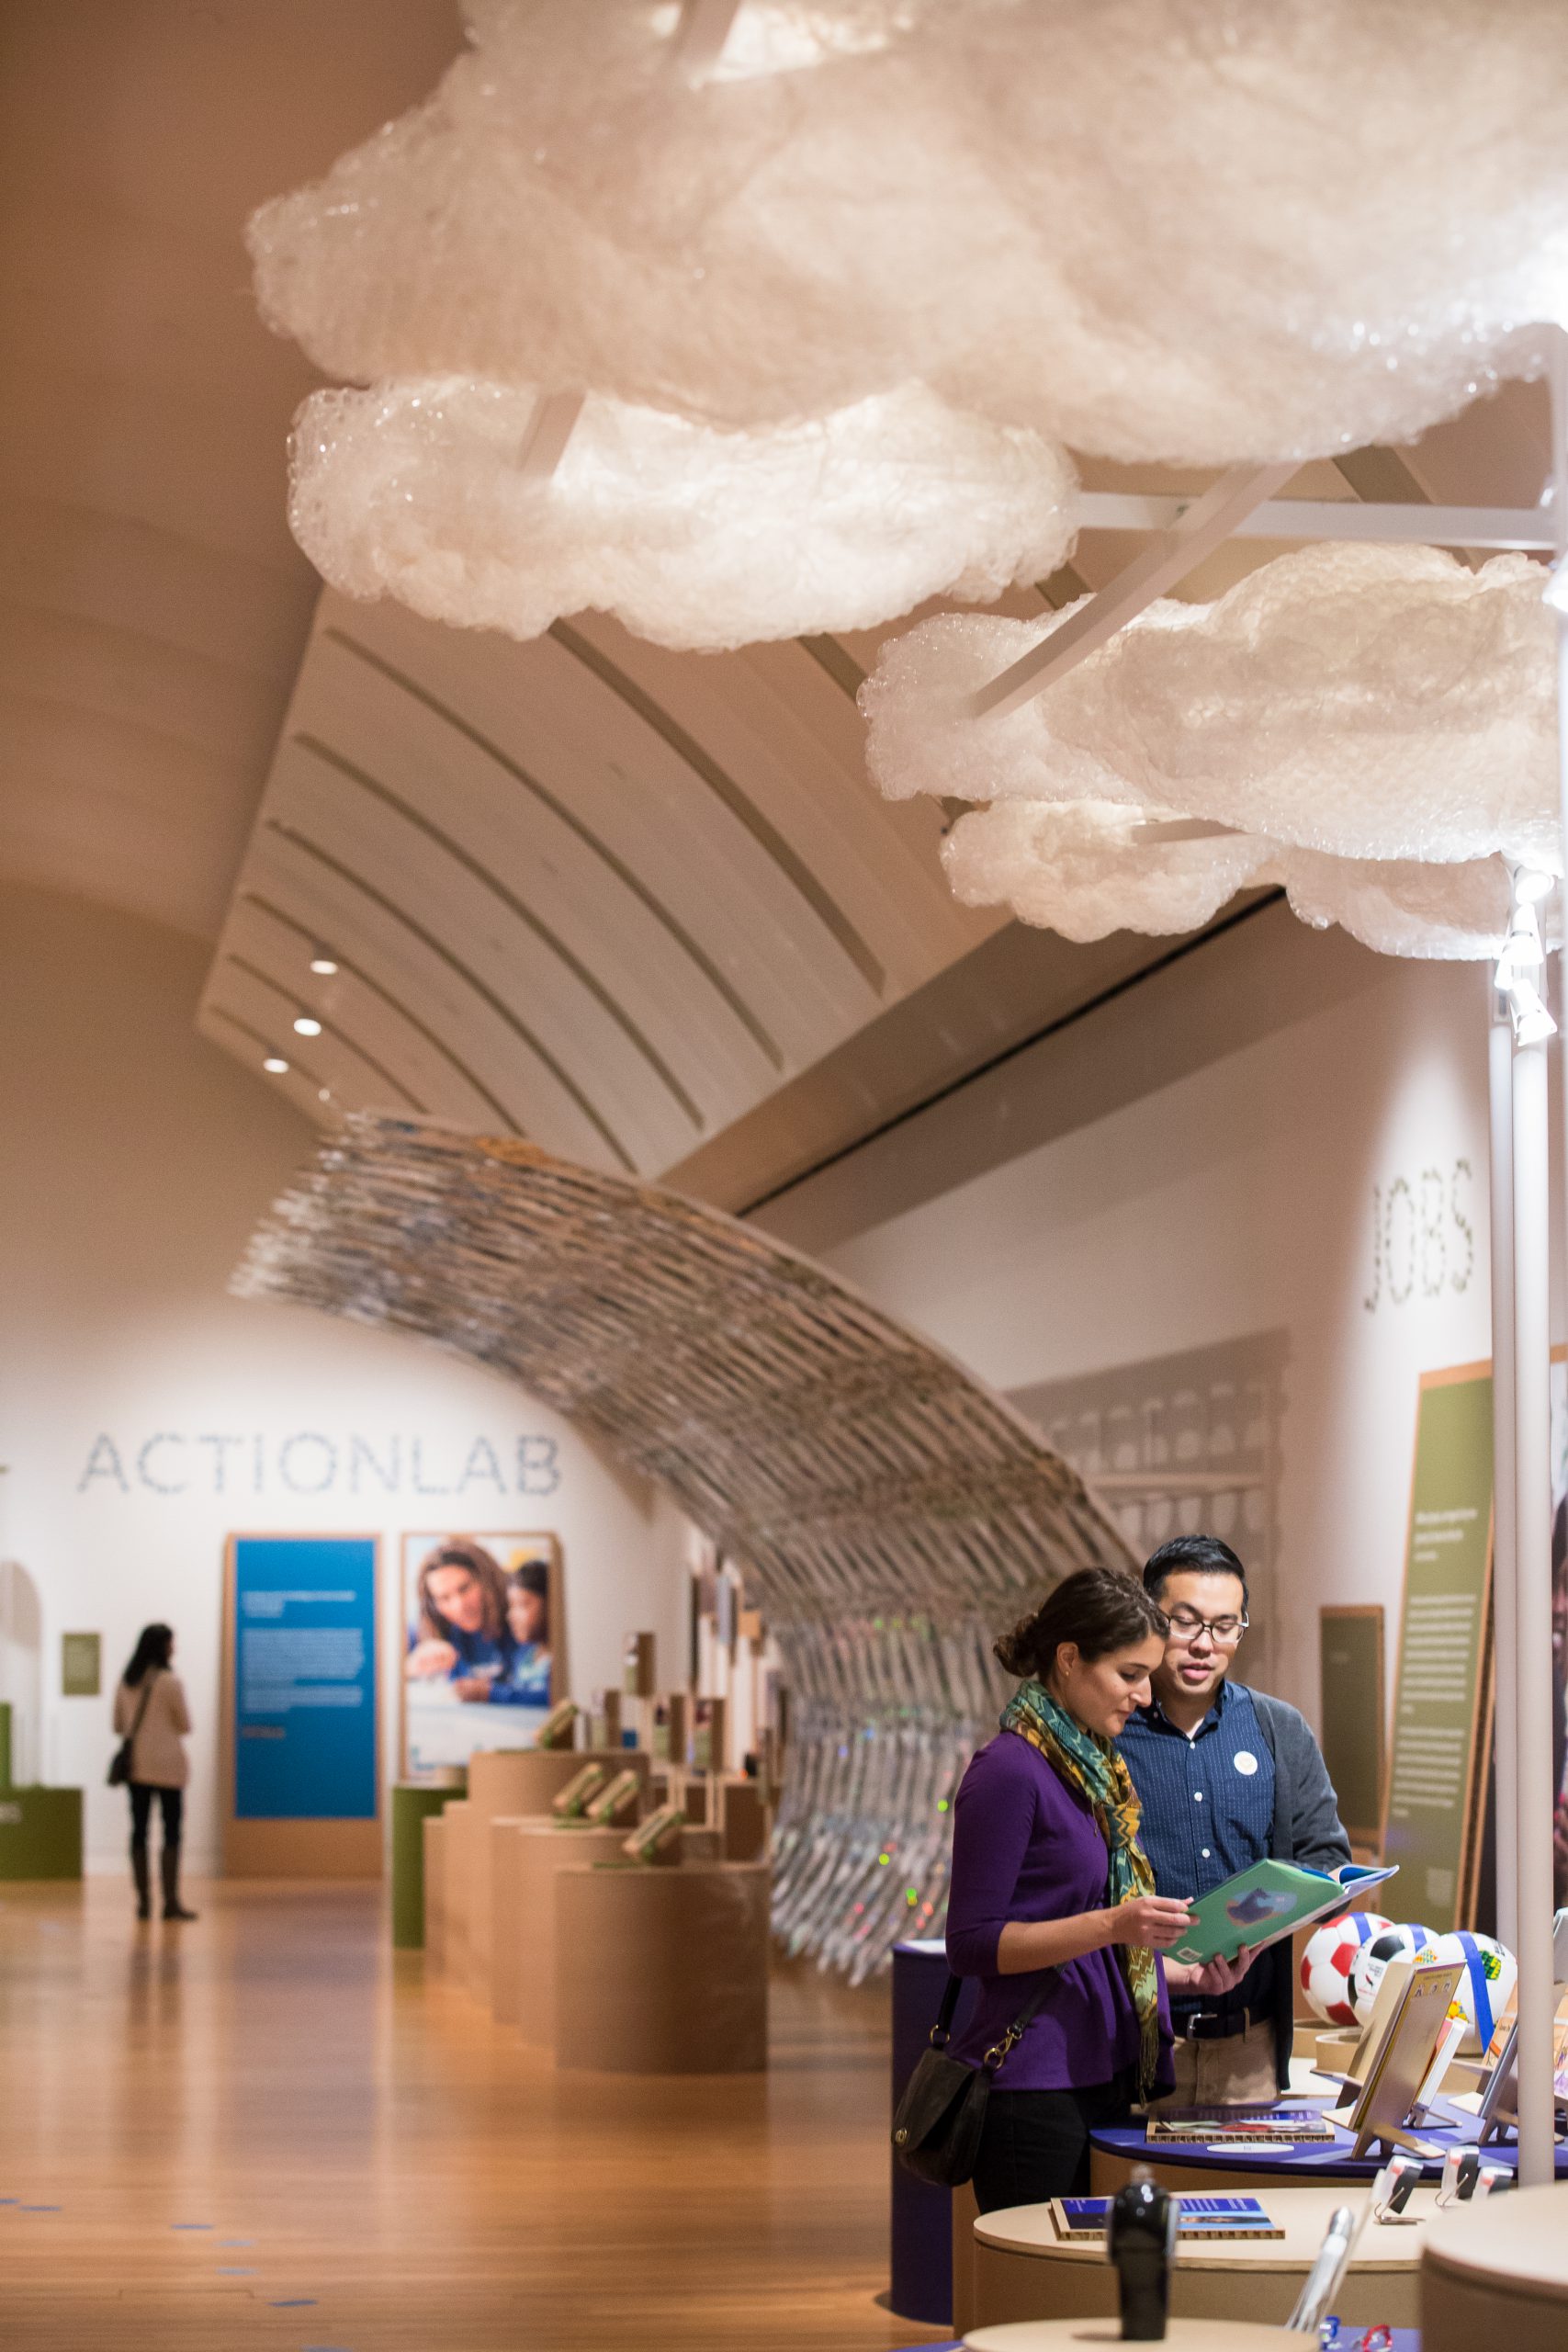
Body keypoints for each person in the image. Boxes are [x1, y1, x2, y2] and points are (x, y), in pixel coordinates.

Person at [945, 1566, 1247, 2211]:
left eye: (1147, 1675)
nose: (1143, 1696)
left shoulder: (1094, 1770)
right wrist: (1115, 1924)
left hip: (1099, 2072)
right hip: (1031, 2087)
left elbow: (1082, 1949)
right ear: (1067, 1660)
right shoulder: (1008, 1771)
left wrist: (1180, 1974)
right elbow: (971, 1945)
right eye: (1129, 1675)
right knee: (1042, 2298)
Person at [1117, 1534, 1350, 2108]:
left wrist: (1275, 1905)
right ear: (1150, 1619)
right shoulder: (1111, 1732)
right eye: (1186, 1622)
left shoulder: (1278, 1729)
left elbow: (1328, 1862)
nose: (1205, 1645)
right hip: (1133, 2045)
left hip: (1250, 2054)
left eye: (1225, 1627)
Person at [112, 1623, 197, 1922]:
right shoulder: (170, 1682)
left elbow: (119, 1725)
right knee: (171, 1832)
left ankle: (144, 1901)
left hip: (137, 1767)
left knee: (139, 1831)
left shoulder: (126, 1681)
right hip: (169, 1768)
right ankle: (170, 1901)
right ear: (162, 1646)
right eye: (171, 1643)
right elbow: (185, 1724)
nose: (174, 1648)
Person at [404, 1538, 517, 1704]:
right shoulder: (426, 1632)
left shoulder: (523, 1620)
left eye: (465, 1589)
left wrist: (490, 1693)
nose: (459, 1606)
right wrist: (409, 1670)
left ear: (487, 1580)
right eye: (444, 1598)